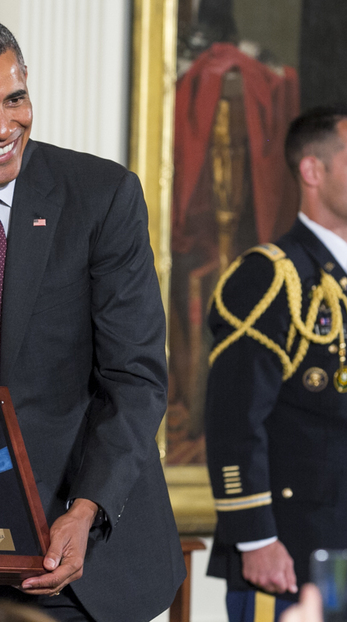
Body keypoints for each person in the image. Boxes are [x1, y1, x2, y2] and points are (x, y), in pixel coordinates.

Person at [0, 13, 185, 622]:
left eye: (16, 98)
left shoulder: (101, 195)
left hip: (90, 559)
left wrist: (86, 510)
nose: (4, 127)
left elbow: (134, 379)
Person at [204, 105, 347, 621]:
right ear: (313, 171)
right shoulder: (270, 278)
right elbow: (235, 421)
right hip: (289, 553)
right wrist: (255, 537)